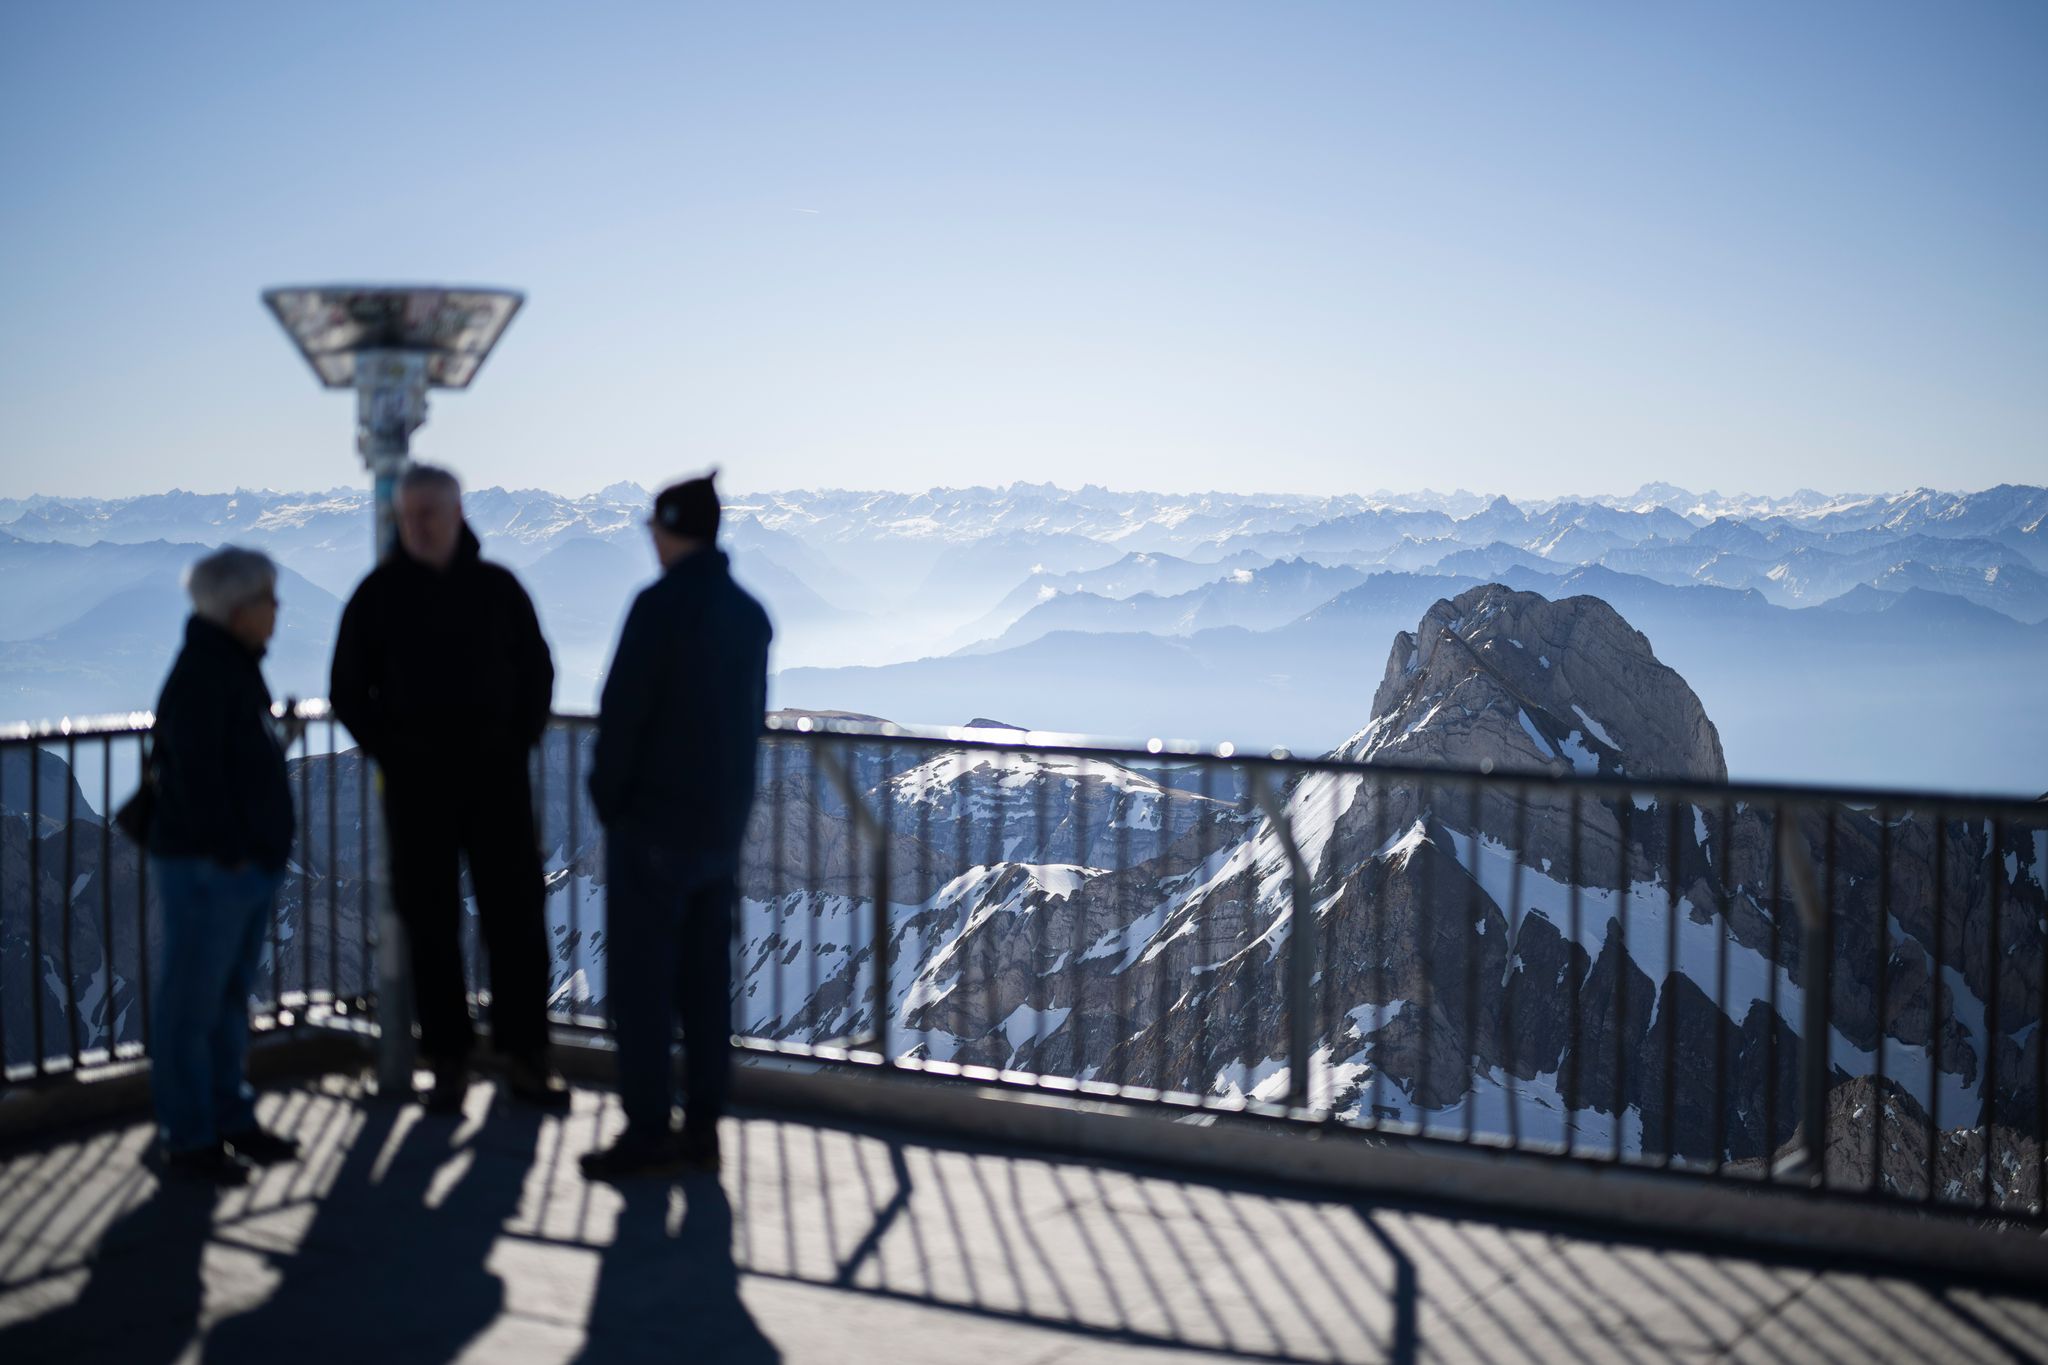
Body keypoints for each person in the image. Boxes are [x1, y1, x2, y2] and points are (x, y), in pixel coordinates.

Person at [329, 464, 566, 1113]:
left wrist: (517, 739)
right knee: (430, 925)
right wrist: (394, 752)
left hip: (498, 784)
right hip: (417, 792)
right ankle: (450, 1061)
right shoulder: (377, 597)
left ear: (458, 513)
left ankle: (526, 1058)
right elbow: (347, 689)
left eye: (430, 512)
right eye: (409, 515)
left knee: (515, 919)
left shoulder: (499, 589)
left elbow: (539, 669)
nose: (419, 525)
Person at [580, 473, 772, 1179]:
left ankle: (646, 1131)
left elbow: (623, 711)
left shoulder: (658, 607)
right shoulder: (751, 615)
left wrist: (609, 801)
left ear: (670, 529)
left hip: (652, 827)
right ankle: (704, 1127)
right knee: (704, 983)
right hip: (719, 832)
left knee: (643, 986)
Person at [147, 546, 302, 1184]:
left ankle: (228, 1120)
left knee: (226, 999)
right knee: (192, 1005)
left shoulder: (228, 665)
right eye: (269, 599)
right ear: (240, 611)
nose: (277, 611)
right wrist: (236, 852)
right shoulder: (210, 676)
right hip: (212, 870)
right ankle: (190, 1138)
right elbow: (198, 776)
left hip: (228, 867)